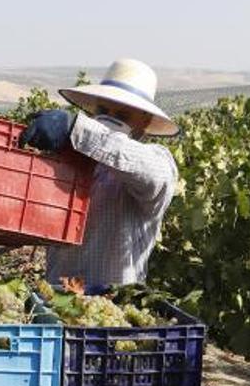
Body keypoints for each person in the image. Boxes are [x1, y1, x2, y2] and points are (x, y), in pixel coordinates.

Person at [18, 57, 179, 289]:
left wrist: (76, 129)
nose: (108, 119)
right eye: (103, 110)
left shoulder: (156, 161)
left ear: (144, 122)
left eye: (122, 115)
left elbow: (151, 172)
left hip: (113, 304)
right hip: (57, 297)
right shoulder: (71, 163)